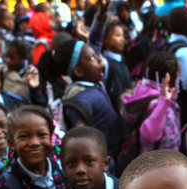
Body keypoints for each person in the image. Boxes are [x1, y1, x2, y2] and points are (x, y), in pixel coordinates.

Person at [44, 0, 122, 158]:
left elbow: (95, 42)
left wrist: (100, 17)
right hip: (105, 159)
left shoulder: (92, 81)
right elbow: (85, 143)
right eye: (93, 58)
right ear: (78, 71)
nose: (100, 59)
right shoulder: (80, 101)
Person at [121, 51, 180, 155]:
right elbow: (149, 135)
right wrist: (164, 102)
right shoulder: (164, 107)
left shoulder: (139, 94)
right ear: (171, 79)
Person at [102, 18, 132, 115]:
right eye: (117, 35)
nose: (122, 39)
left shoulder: (121, 61)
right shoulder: (105, 63)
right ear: (105, 39)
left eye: (123, 36)